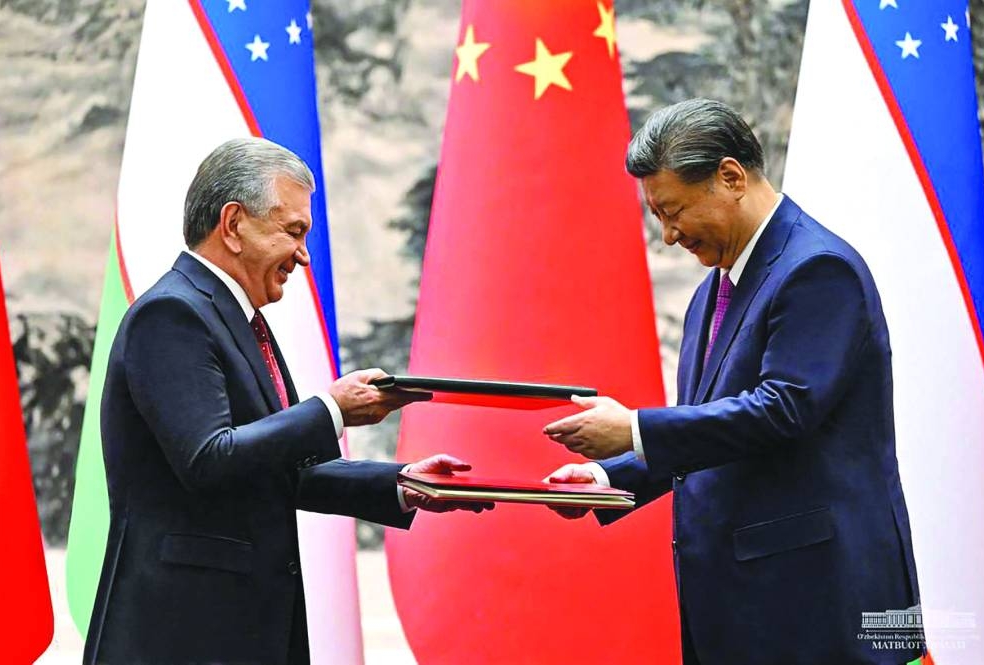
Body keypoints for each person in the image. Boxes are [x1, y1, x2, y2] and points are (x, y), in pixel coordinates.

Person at [542, 99, 921, 665]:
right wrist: (606, 475)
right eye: (657, 218)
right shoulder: (711, 292)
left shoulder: (818, 269)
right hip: (741, 605)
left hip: (820, 601)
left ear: (730, 177)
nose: (669, 236)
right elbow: (714, 436)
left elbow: (781, 410)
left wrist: (634, 430)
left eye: (674, 211)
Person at [83, 137, 489, 665]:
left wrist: (405, 484)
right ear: (233, 224)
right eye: (293, 231)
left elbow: (281, 470)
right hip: (181, 632)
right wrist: (332, 409)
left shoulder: (240, 320)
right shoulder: (172, 315)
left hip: (244, 630)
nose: (303, 254)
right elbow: (209, 459)